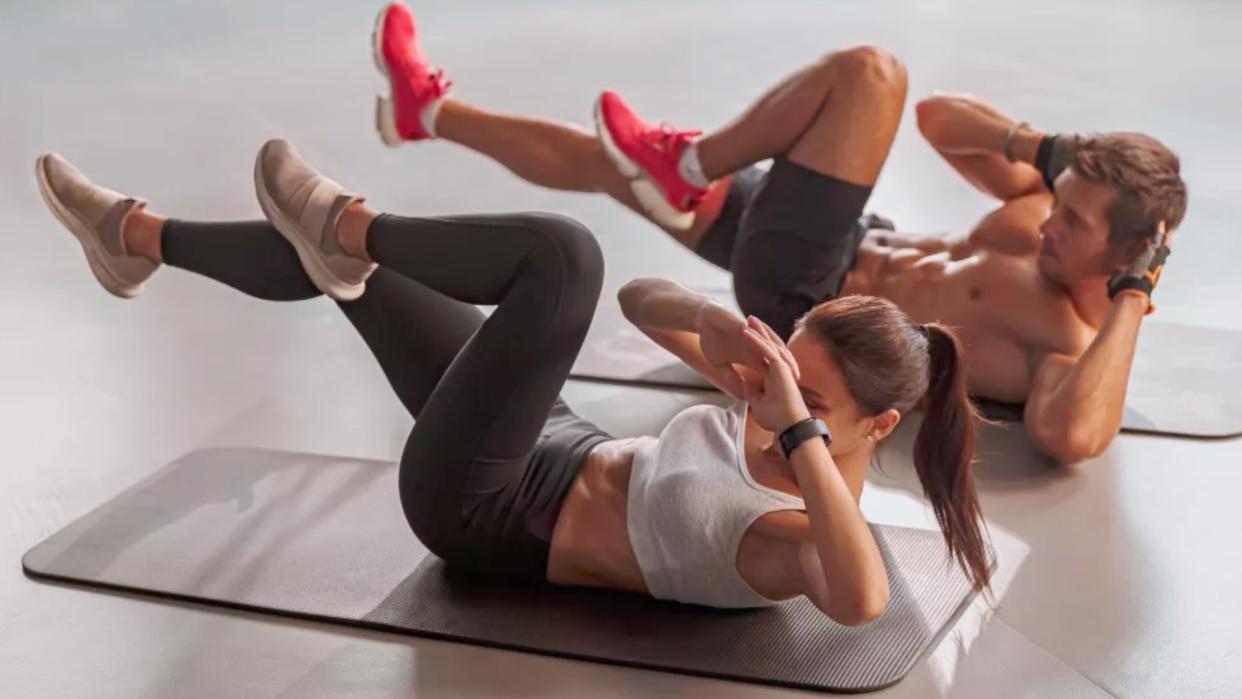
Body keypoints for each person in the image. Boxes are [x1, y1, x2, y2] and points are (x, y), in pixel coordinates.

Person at [34, 138, 989, 625]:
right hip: (553, 434)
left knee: (564, 257)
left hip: (485, 508)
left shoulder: (800, 537)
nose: (779, 395)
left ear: (878, 424)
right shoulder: (771, 393)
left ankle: (348, 220)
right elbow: (643, 298)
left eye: (815, 401)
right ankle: (133, 241)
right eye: (792, 365)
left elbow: (862, 600)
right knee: (359, 276)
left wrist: (797, 430)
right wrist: (713, 327)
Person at [369, 3, 1187, 464]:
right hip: (835, 236)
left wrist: (1132, 302)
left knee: (872, 75)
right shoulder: (1038, 220)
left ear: (1129, 252)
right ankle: (429, 111)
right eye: (1058, 198)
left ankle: (689, 163)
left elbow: (1073, 435)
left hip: (813, 292)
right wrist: (1047, 152)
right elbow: (945, 121)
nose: (1049, 217)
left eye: (1074, 220)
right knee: (606, 164)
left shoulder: (1067, 345)